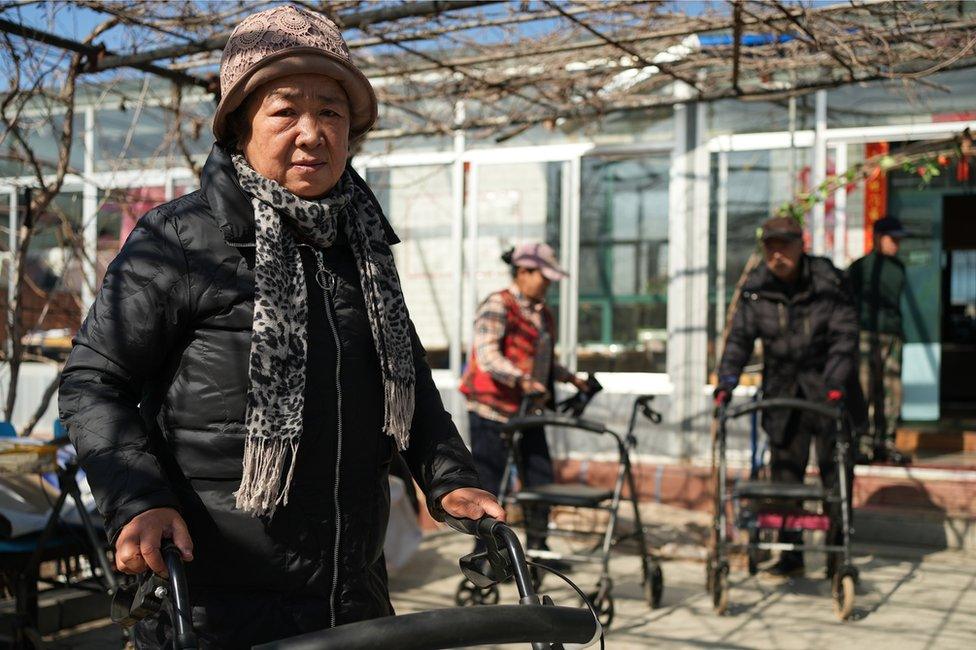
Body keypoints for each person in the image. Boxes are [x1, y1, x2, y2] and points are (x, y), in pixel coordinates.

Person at [58, 6, 502, 647]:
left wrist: (450, 479)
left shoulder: (366, 246)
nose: (312, 132)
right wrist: (138, 500)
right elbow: (94, 380)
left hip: (352, 597)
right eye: (285, 110)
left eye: (331, 112)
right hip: (214, 602)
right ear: (240, 125)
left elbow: (407, 389)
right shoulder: (180, 238)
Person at [715, 216, 858, 579]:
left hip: (828, 388)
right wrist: (726, 381)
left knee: (835, 474)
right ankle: (790, 553)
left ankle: (836, 557)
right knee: (784, 475)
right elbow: (739, 340)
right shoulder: (757, 287)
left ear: (801, 244)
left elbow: (845, 337)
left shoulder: (828, 282)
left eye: (784, 246)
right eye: (770, 247)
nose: (777, 255)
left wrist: (835, 384)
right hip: (781, 390)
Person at [460, 243, 588, 560]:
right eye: (543, 276)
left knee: (540, 479)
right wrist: (521, 379)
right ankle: (488, 555)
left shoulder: (544, 314)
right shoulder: (497, 305)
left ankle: (539, 550)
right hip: (492, 411)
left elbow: (541, 362)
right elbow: (488, 356)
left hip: (529, 412)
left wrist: (569, 377)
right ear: (523, 272)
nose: (548, 284)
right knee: (490, 485)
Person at [847, 216, 909, 464]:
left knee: (892, 389)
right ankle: (862, 442)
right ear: (877, 237)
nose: (896, 244)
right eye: (891, 239)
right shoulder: (860, 268)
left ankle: (886, 441)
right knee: (864, 388)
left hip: (892, 335)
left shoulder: (899, 268)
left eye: (898, 240)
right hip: (864, 335)